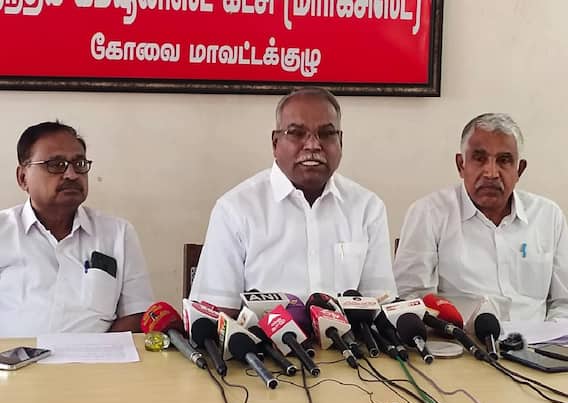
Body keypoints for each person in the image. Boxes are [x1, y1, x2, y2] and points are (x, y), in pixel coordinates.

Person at [190, 87, 397, 316]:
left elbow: (381, 306)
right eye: (297, 133)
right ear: (275, 143)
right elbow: (216, 314)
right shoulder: (235, 209)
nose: (313, 145)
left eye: (326, 134)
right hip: (261, 340)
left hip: (349, 339)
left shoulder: (367, 208)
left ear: (340, 141)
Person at [394, 113, 568, 321]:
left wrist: (552, 336)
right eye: (479, 158)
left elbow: (564, 303)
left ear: (519, 170)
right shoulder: (429, 213)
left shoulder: (548, 216)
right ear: (461, 165)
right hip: (461, 338)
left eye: (504, 160)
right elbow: (411, 299)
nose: (491, 173)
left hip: (537, 339)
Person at [0, 121, 154, 337]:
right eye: (56, 164)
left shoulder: (118, 233)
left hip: (98, 358)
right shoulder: (4, 231)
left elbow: (136, 313)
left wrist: (96, 353)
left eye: (79, 164)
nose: (71, 175)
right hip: (12, 357)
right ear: (23, 178)